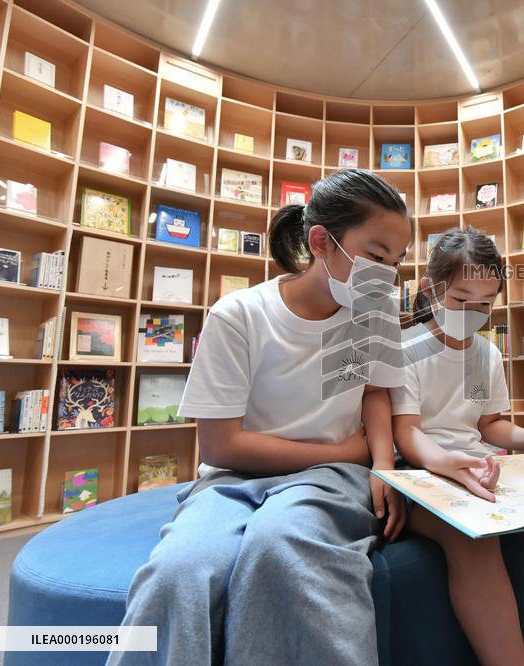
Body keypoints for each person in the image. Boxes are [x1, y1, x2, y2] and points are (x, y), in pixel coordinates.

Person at [108, 170, 412, 665]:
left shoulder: (374, 316)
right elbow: (221, 447)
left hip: (329, 481)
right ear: (321, 242)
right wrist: (342, 450)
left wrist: (383, 465)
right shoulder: (239, 315)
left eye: (396, 264)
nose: (386, 276)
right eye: (376, 258)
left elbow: (375, 392)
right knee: (179, 570)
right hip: (235, 478)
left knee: (284, 547)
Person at [391, 228, 524, 665]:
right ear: (430, 289)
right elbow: (407, 432)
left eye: (486, 302)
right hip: (422, 475)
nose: (473, 312)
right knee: (473, 539)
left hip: (479, 467)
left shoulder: (485, 354)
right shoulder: (405, 349)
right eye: (460, 300)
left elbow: (490, 424)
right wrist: (447, 462)